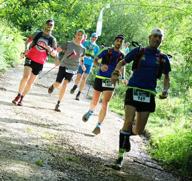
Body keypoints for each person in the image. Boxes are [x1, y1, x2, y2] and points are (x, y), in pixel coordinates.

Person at [111, 28, 171, 170]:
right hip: (133, 89)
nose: (157, 39)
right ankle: (119, 158)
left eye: (160, 37)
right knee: (128, 121)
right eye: (155, 36)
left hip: (149, 93)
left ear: (161, 40)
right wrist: (115, 73)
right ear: (149, 37)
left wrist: (165, 90)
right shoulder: (139, 51)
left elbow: (167, 77)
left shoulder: (163, 57)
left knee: (138, 130)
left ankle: (126, 137)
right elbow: (121, 63)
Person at [82, 35, 125, 135]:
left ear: (122, 44)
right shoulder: (106, 50)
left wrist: (122, 78)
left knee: (105, 103)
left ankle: (98, 125)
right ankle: (91, 111)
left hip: (111, 80)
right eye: (117, 40)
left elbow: (123, 66)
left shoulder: (122, 55)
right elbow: (95, 60)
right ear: (114, 41)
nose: (119, 43)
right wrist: (101, 66)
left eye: (121, 42)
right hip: (100, 78)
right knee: (95, 99)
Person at [12, 19, 57, 106]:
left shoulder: (52, 40)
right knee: (25, 77)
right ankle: (18, 95)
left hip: (40, 62)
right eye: (48, 24)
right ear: (45, 24)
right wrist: (25, 49)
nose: (49, 26)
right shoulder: (38, 34)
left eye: (51, 25)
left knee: (30, 82)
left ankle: (22, 98)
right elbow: (27, 41)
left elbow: (55, 54)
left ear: (53, 27)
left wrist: (50, 49)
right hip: (30, 57)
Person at [48, 29, 85, 112]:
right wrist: (56, 59)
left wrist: (83, 66)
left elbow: (81, 58)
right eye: (78, 34)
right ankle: (53, 86)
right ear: (75, 35)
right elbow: (56, 50)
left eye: (81, 35)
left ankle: (58, 103)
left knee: (65, 85)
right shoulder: (68, 44)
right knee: (58, 83)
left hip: (73, 68)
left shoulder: (83, 48)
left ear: (83, 37)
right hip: (63, 66)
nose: (79, 36)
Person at [70, 32, 100, 101]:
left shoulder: (97, 47)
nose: (94, 38)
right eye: (93, 37)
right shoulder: (85, 42)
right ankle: (75, 86)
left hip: (89, 64)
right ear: (91, 37)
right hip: (82, 62)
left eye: (95, 37)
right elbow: (80, 50)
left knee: (84, 78)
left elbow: (96, 57)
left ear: (96, 39)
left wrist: (95, 64)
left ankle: (79, 94)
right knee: (79, 76)